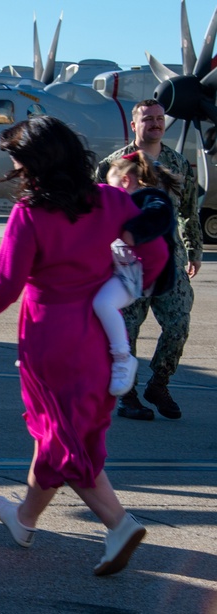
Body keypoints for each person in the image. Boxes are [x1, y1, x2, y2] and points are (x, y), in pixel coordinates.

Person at [0, 116, 168, 576]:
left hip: (49, 338)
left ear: (34, 163)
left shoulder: (30, 215)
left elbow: (5, 285)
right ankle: (25, 519)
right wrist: (127, 288)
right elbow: (154, 254)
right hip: (96, 336)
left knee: (65, 439)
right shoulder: (114, 201)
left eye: (17, 159)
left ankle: (118, 523)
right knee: (61, 431)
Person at [94, 100, 203, 421]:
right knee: (126, 329)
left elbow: (188, 212)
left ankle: (160, 382)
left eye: (159, 119)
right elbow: (97, 212)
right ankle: (128, 395)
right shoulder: (111, 165)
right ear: (134, 124)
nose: (155, 124)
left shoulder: (178, 163)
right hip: (127, 263)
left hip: (169, 259)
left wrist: (194, 250)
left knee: (178, 325)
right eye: (148, 119)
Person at [94, 152, 178, 396]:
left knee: (103, 303)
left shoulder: (148, 196)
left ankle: (123, 358)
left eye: (111, 185)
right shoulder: (122, 205)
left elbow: (160, 212)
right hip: (124, 269)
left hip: (138, 272)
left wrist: (133, 232)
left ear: (126, 181)